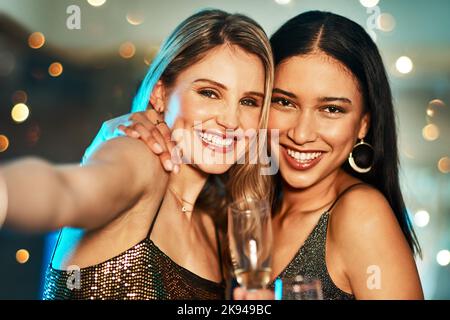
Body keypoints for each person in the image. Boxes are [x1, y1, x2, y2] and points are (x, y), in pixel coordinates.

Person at [110, 11, 424, 300]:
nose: (301, 135)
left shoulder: (362, 215)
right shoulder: (235, 202)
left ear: (363, 124)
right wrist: (115, 140)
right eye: (284, 102)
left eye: (331, 109)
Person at [0, 9, 274, 300]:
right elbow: (66, 191)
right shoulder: (141, 159)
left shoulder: (217, 224)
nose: (231, 121)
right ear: (160, 94)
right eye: (209, 93)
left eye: (249, 101)